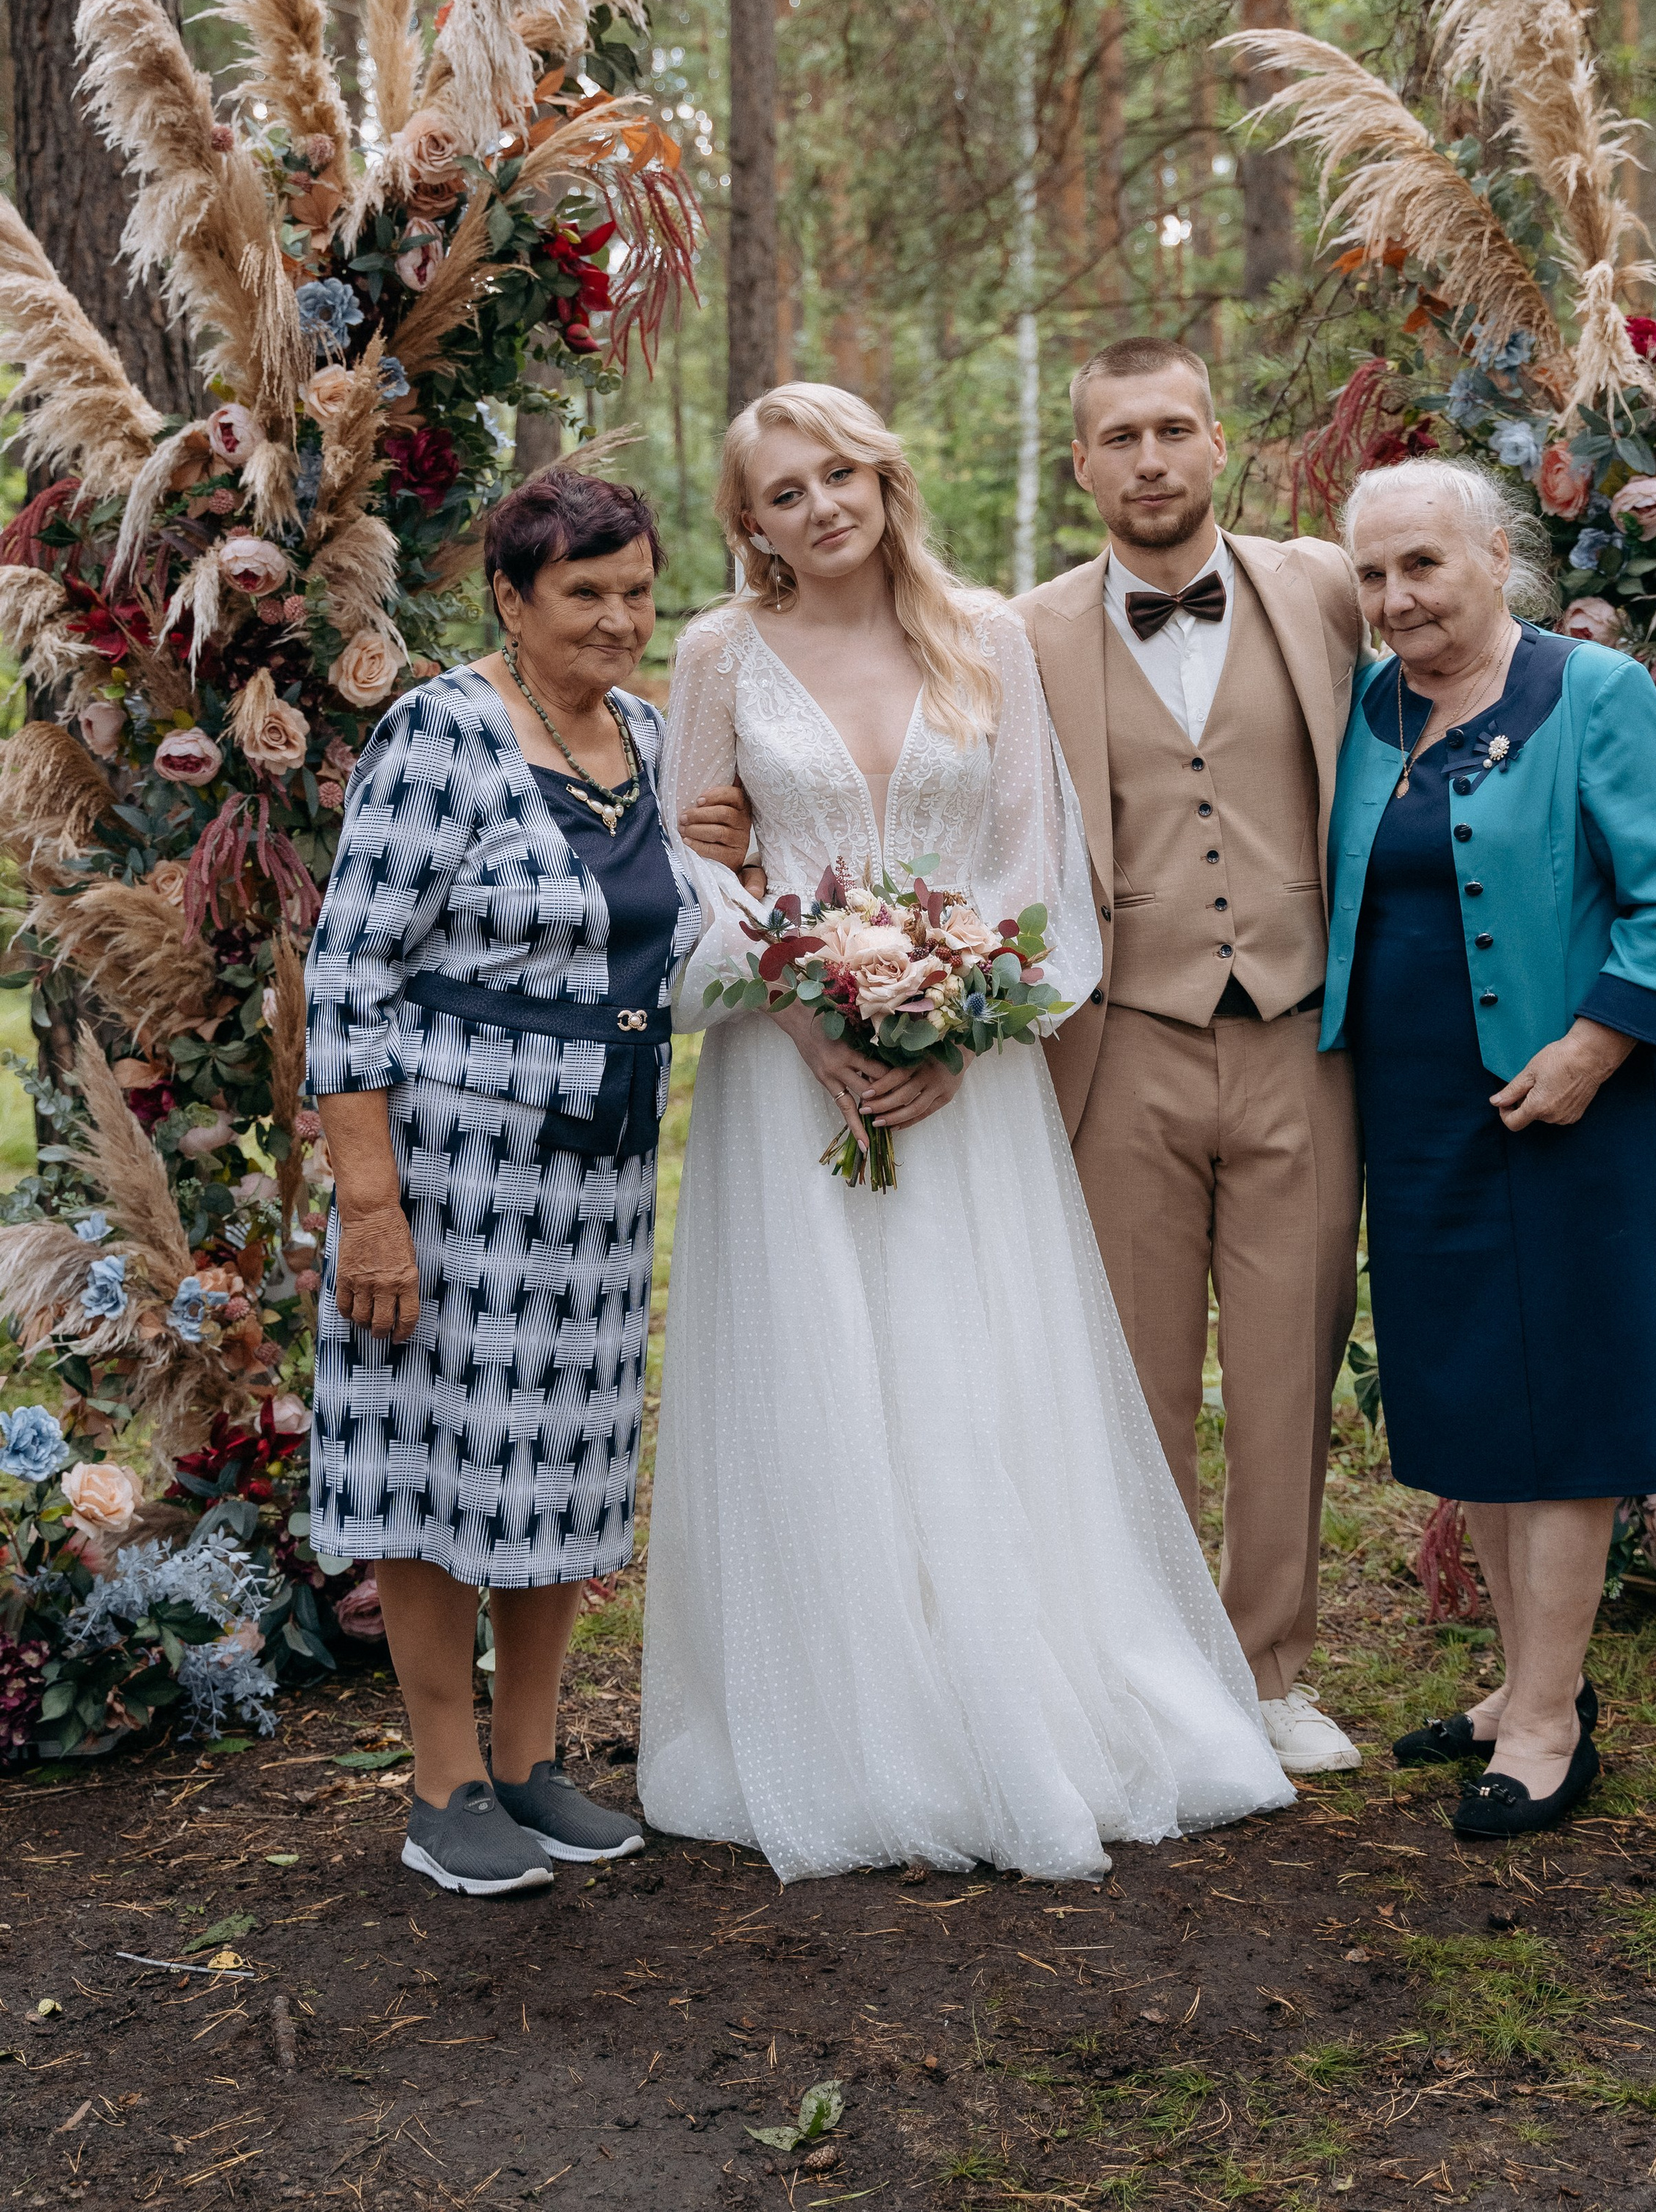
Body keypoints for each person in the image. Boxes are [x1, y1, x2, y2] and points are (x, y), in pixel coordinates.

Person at [639, 380, 1293, 1882]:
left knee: (973, 1365)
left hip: (965, 1071)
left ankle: (1019, 1691)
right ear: (749, 525)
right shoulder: (717, 652)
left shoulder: (983, 634)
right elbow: (693, 867)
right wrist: (812, 1022)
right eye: (785, 491)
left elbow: (1035, 858)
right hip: (784, 1068)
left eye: (842, 473)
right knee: (819, 1372)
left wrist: (950, 1027)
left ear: (883, 476)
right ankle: (844, 1709)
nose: (821, 506)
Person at [304, 467, 752, 1899]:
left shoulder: (642, 736)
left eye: (636, 592)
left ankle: (528, 1755)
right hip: (447, 1174)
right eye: (584, 595)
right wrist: (368, 1205)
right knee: (443, 1466)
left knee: (564, 1462)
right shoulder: (438, 734)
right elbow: (350, 976)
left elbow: (670, 933)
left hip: (599, 1179)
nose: (620, 621)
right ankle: (442, 1784)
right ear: (509, 598)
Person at [1323, 456, 1656, 1838]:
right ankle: (1516, 1684)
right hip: (1422, 1109)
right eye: (1373, 574)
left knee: (1565, 1409)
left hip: (1574, 1108)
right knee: (1479, 1402)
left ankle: (1554, 1719)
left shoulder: (1589, 692)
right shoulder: (1372, 709)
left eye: (1423, 564)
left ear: (1499, 557)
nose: (1396, 598)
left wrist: (1594, 1050)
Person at [1014, 337, 1366, 1775]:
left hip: (1303, 1040)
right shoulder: (1019, 633)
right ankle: (1150, 1669)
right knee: (1135, 1376)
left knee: (1288, 1368)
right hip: (1120, 1045)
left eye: (1173, 431)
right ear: (1080, 465)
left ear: (1220, 444)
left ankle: (1271, 1669)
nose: (1149, 460)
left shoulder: (1329, 589)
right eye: (1119, 438)